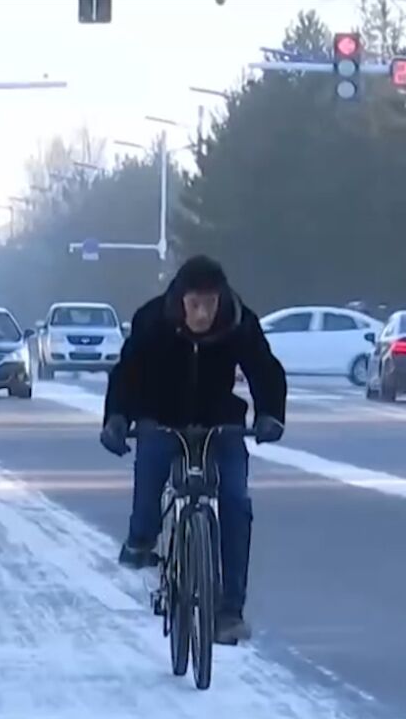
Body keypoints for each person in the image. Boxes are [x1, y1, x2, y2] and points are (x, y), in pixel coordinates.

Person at [99, 255, 287, 644]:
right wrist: (117, 417)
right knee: (150, 466)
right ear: (180, 300)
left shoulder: (238, 321)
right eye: (194, 304)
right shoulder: (152, 319)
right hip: (160, 414)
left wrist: (270, 414)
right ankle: (141, 538)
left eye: (210, 303)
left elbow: (264, 368)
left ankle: (230, 611)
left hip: (221, 420)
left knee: (236, 501)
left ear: (221, 298)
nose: (202, 313)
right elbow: (127, 371)